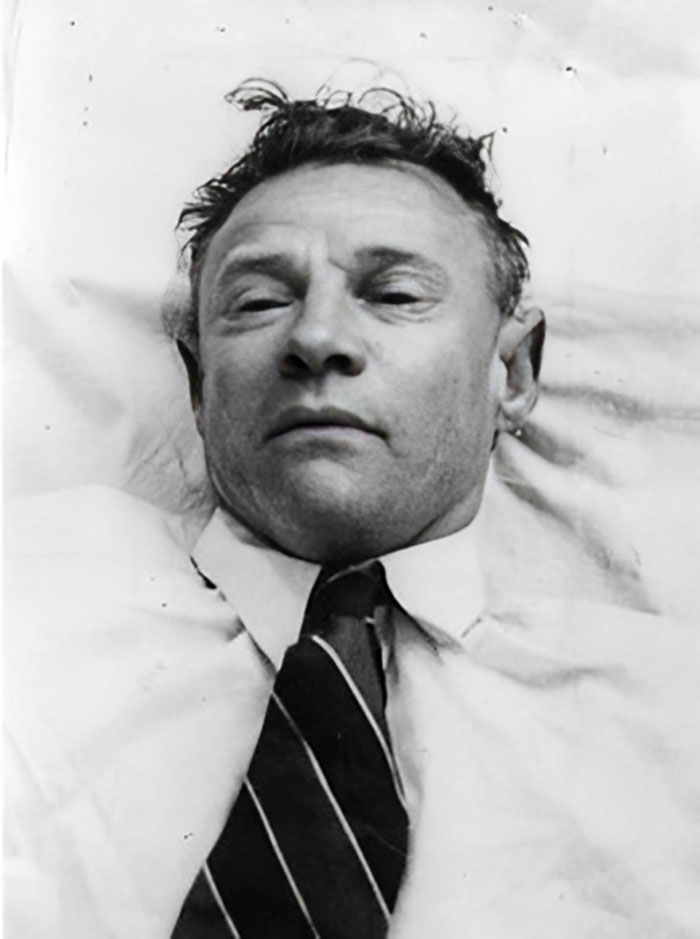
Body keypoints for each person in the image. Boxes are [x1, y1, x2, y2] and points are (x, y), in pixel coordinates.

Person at [5, 81, 699, 939]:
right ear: (198, 380)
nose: (317, 337)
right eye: (259, 300)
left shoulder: (669, 723)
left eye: (397, 294)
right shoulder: (28, 607)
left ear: (511, 377)